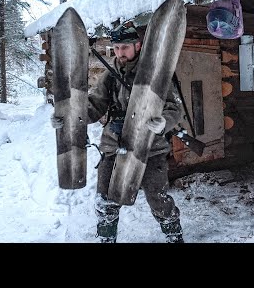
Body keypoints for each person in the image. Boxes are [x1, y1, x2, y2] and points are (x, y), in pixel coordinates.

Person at [52, 24, 184, 243]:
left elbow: (175, 107)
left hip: (150, 147)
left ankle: (174, 236)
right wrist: (68, 119)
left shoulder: (155, 72)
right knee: (105, 199)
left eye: (125, 47)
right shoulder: (110, 74)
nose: (120, 52)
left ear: (138, 46)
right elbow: (94, 106)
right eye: (116, 48)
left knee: (157, 198)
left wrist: (162, 122)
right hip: (113, 145)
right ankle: (106, 238)